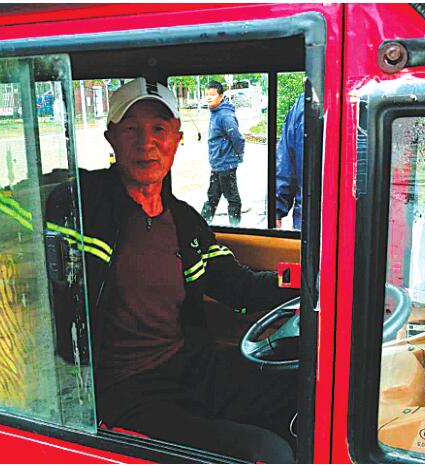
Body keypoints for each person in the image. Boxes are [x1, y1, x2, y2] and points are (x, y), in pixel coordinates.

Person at [47, 78, 298, 463]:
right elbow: (2, 204)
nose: (146, 143)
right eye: (131, 129)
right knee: (267, 453)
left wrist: (311, 282)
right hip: (123, 390)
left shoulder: (185, 223)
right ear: (111, 137)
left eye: (159, 130)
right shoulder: (78, 202)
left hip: (189, 368)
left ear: (177, 140)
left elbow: (240, 288)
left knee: (300, 392)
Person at [200, 80, 245, 227]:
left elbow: (237, 138)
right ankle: (201, 229)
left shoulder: (225, 116)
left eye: (212, 95)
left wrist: (239, 155)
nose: (208, 97)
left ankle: (235, 229)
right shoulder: (215, 112)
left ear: (220, 96)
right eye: (207, 94)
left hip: (226, 165)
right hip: (217, 164)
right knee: (212, 199)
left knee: (233, 199)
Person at [275, 92, 304, 230]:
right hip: (306, 217)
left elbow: (285, 165)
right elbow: (285, 164)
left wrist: (276, 210)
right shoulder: (301, 108)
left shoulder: (302, 107)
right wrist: (275, 210)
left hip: (307, 217)